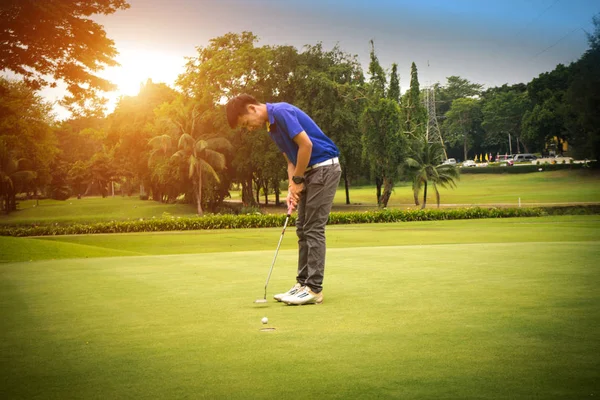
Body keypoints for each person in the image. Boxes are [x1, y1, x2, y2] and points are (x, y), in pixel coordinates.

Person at [226, 94, 341, 305]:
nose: (249, 128)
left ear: (252, 108)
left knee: (313, 228)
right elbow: (290, 160)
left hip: (324, 168)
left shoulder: (281, 112)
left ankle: (314, 289)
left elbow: (306, 146)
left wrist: (298, 179)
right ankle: (302, 284)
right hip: (308, 172)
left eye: (245, 123)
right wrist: (291, 187)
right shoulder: (272, 127)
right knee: (301, 228)